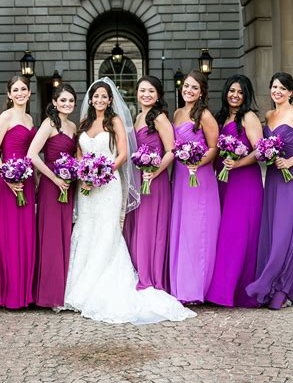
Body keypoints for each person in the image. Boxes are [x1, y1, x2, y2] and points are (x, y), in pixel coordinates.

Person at [64, 78, 196, 324]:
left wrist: (102, 173)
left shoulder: (116, 121)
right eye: (96, 96)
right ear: (90, 99)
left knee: (108, 231)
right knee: (86, 229)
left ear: (111, 99)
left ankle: (108, 282)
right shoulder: (84, 123)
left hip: (108, 183)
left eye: (105, 96)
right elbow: (79, 153)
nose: (100, 100)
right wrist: (85, 173)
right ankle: (80, 284)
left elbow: (123, 154)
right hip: (88, 188)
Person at [247, 72, 293, 309]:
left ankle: (280, 288)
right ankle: (288, 286)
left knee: (285, 234)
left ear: (291, 92)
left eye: (283, 88)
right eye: (274, 87)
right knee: (273, 231)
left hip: (291, 178)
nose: (277, 91)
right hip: (274, 179)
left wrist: (290, 162)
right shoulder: (268, 115)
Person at [206, 75, 263, 308]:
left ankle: (237, 290)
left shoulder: (248, 117)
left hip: (244, 181)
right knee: (224, 232)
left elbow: (260, 151)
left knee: (238, 233)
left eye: (240, 92)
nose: (235, 95)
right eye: (231, 91)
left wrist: (238, 163)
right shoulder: (221, 117)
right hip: (223, 179)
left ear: (246, 95)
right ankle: (220, 288)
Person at [0, 75, 37, 309]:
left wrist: (31, 178)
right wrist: (6, 175)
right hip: (8, 181)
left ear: (29, 92)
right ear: (8, 94)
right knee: (9, 234)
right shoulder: (6, 117)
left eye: (23, 89)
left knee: (25, 234)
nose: (19, 93)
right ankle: (8, 293)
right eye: (15, 89)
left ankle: (24, 292)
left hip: (26, 179)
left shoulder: (29, 117)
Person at [169, 71, 220, 303]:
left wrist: (195, 163)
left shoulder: (206, 115)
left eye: (194, 88)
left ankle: (196, 287)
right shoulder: (178, 113)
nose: (188, 90)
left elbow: (214, 148)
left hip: (199, 176)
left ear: (201, 92)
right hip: (181, 176)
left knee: (197, 226)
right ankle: (180, 283)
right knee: (182, 225)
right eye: (186, 86)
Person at [29, 83, 78, 308]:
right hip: (51, 186)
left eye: (70, 101)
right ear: (55, 103)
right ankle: (48, 294)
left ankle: (62, 290)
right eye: (63, 100)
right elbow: (32, 155)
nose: (67, 104)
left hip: (68, 185)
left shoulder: (74, 127)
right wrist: (54, 178)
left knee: (64, 233)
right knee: (50, 235)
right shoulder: (49, 124)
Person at [123, 76, 172, 291]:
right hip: (140, 182)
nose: (146, 94)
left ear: (158, 94)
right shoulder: (138, 117)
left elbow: (172, 150)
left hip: (155, 182)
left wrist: (154, 172)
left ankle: (151, 276)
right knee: (139, 226)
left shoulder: (159, 117)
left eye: (151, 91)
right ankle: (139, 270)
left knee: (151, 228)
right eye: (142, 90)